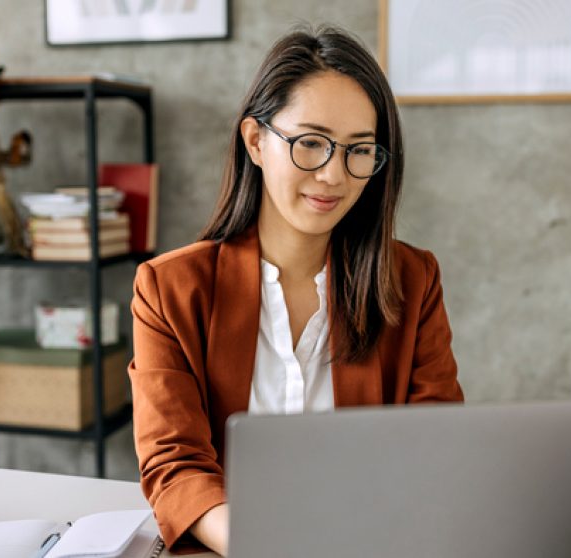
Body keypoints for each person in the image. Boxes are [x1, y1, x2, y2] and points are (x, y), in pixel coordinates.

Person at [128, 25, 464, 556]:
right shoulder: (170, 289)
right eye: (311, 143)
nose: (334, 174)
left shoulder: (412, 281)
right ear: (256, 141)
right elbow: (175, 467)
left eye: (359, 150)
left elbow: (436, 452)